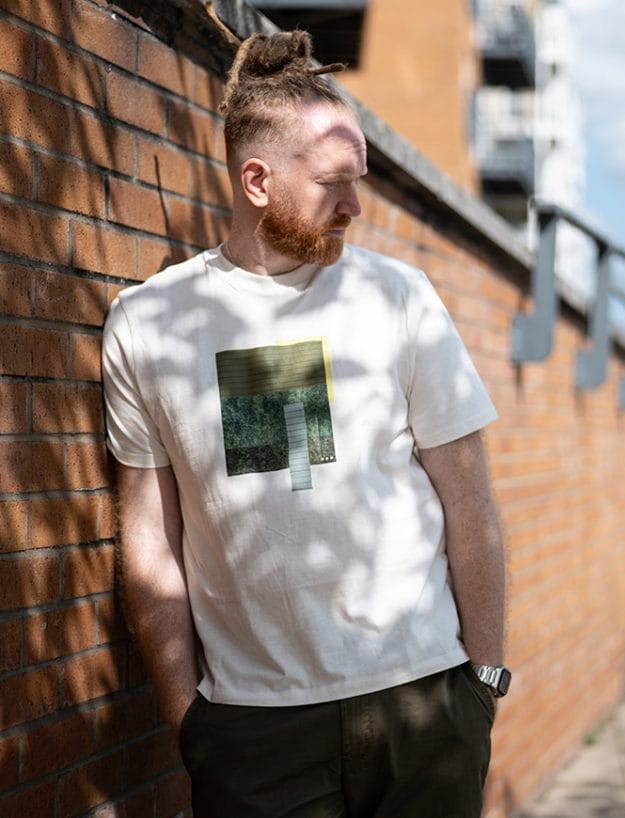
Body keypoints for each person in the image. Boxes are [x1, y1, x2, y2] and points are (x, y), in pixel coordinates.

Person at [102, 29, 509, 818]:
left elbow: (471, 503)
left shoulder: (398, 297)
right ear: (257, 181)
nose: (356, 206)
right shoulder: (151, 324)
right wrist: (193, 722)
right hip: (256, 735)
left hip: (422, 707)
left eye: (358, 179)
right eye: (334, 183)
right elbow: (149, 536)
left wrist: (483, 683)